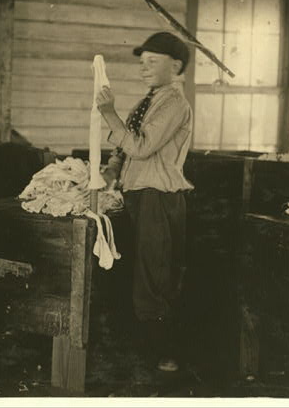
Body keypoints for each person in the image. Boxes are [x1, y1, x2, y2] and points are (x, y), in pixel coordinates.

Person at [95, 31, 193, 373]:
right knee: (138, 274)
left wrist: (108, 114)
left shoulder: (175, 104)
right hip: (137, 195)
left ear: (176, 66)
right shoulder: (148, 101)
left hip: (159, 198)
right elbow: (125, 148)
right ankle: (143, 351)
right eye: (142, 62)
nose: (144, 68)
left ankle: (166, 354)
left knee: (156, 275)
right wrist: (111, 170)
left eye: (153, 62)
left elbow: (142, 146)